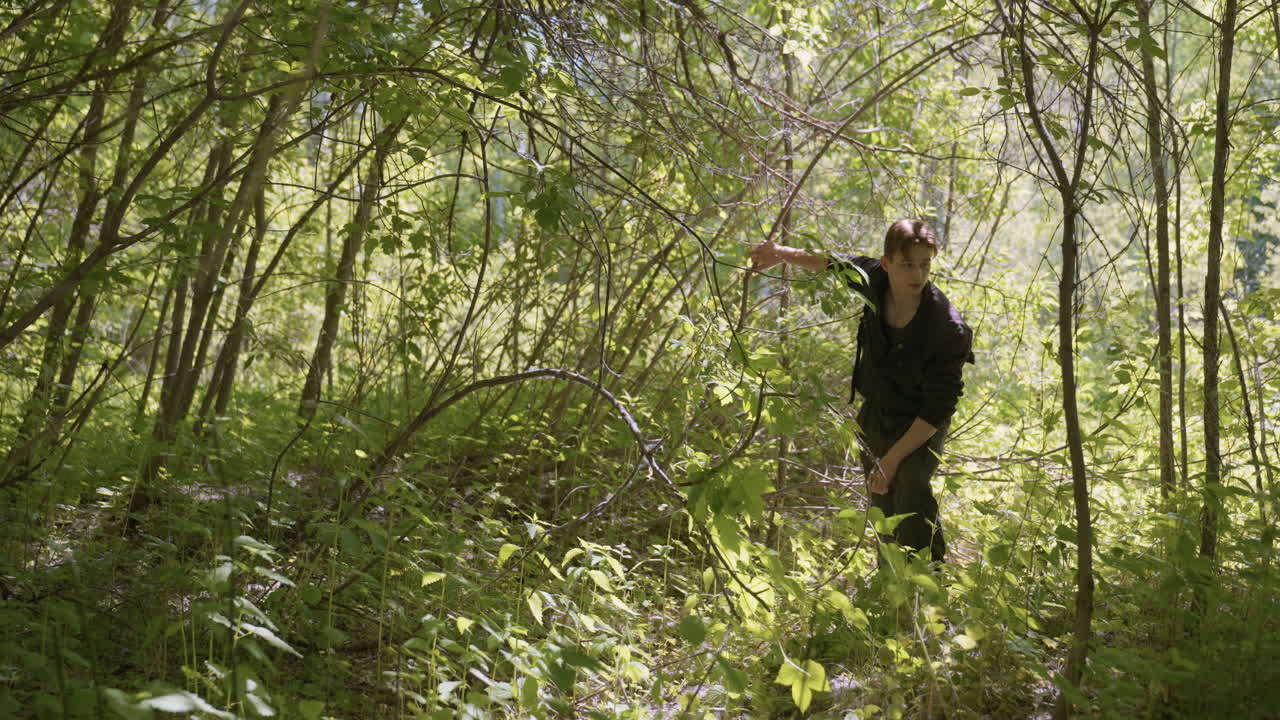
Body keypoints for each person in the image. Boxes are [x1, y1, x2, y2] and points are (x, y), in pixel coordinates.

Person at [748, 219, 973, 563]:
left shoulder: (946, 326)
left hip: (920, 424)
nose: (917, 274)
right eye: (908, 264)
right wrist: (781, 254)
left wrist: (893, 459)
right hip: (877, 412)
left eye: (925, 265)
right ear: (886, 263)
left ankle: (929, 591)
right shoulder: (874, 280)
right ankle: (891, 592)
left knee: (911, 488)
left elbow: (937, 408)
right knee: (882, 507)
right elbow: (833, 263)